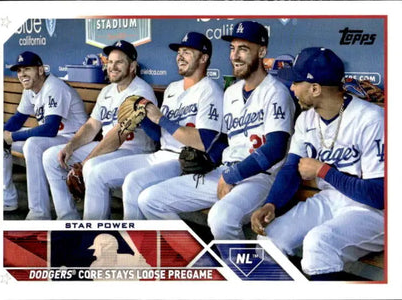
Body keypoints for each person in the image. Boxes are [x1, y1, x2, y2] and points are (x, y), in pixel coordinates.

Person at [130, 21, 296, 240]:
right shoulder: (231, 92)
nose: (235, 56)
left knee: (220, 218)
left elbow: (275, 149)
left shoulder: (276, 92)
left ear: (262, 51)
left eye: (243, 49)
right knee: (150, 199)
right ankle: (197, 260)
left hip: (260, 178)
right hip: (225, 172)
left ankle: (239, 271)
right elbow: (226, 142)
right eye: (232, 48)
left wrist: (231, 175)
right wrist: (209, 157)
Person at [250, 47, 384, 280]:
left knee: (317, 245)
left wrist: (323, 170)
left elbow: (379, 195)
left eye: (295, 82)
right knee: (269, 241)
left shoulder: (371, 119)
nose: (291, 88)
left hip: (372, 211)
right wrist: (271, 204)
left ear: (315, 88)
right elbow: (291, 168)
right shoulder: (306, 119)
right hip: (330, 200)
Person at [77, 31, 223, 221]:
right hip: (161, 153)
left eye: (187, 52)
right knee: (97, 173)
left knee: (133, 182)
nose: (180, 56)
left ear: (203, 58)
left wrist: (160, 118)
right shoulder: (173, 88)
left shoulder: (210, 90)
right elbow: (158, 135)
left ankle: (136, 244)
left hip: (184, 160)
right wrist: (143, 119)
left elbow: (203, 141)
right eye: (179, 51)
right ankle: (95, 233)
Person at [42, 40, 157, 220]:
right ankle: (67, 218)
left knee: (92, 169)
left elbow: (118, 135)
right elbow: (92, 125)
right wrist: (70, 146)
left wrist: (84, 163)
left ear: (132, 66)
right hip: (108, 147)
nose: (112, 66)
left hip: (134, 150)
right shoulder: (107, 91)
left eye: (119, 62)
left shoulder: (141, 91)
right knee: (51, 157)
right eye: (110, 62)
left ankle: (96, 228)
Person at [3, 51, 88, 220]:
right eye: (19, 70)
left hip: (74, 138)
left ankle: (39, 213)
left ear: (40, 70)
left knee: (32, 145)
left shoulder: (54, 87)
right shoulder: (30, 89)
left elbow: (50, 128)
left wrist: (12, 136)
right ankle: (8, 198)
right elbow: (19, 118)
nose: (22, 75)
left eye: (27, 69)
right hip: (54, 139)